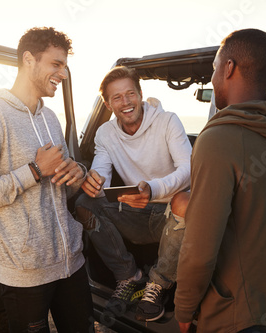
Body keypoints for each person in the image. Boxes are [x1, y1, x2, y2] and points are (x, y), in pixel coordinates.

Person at [0, 27, 93, 332]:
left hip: (71, 262)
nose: (64, 74)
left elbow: (63, 185)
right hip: (24, 273)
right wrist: (33, 171)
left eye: (65, 66)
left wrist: (77, 173)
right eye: (56, 64)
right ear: (29, 60)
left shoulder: (51, 118)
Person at [174, 29, 266, 333]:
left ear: (229, 68)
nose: (211, 79)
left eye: (213, 69)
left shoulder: (218, 140)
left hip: (235, 315)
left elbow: (200, 250)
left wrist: (184, 308)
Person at [75, 66, 192, 322]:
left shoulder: (167, 121)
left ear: (140, 94)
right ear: (108, 103)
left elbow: (188, 169)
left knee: (185, 203)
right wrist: (93, 179)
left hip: (172, 218)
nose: (125, 102)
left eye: (130, 94)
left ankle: (158, 285)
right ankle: (129, 276)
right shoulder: (106, 133)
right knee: (84, 202)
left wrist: (153, 189)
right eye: (117, 97)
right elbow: (101, 170)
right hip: (134, 212)